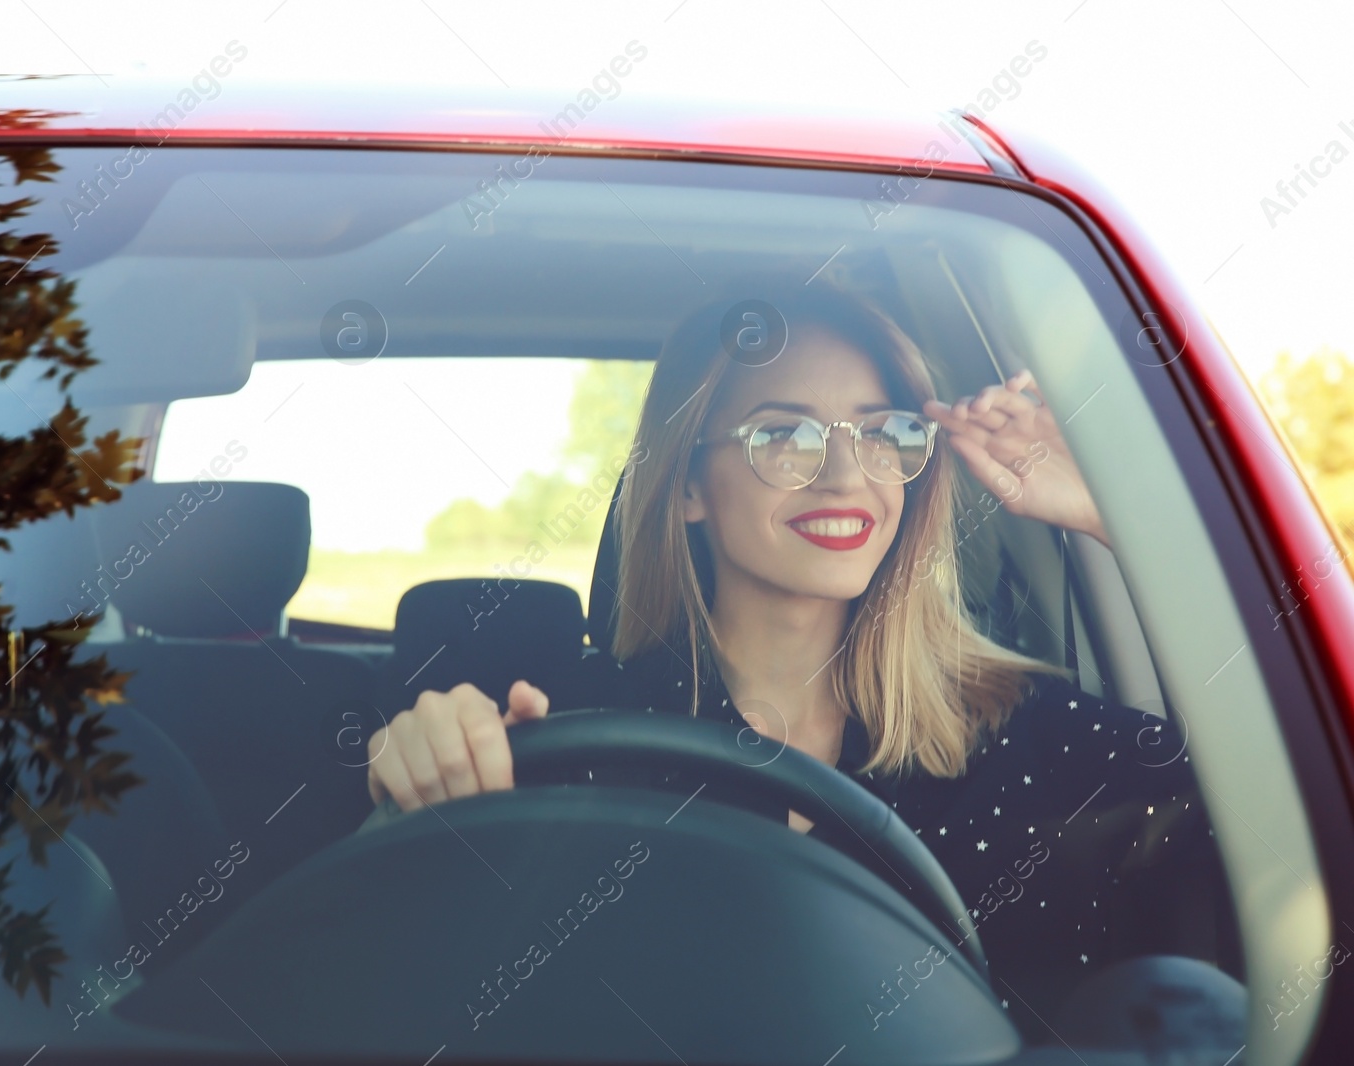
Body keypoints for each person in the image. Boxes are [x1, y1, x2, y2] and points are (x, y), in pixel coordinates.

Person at [364, 286, 1237, 1036]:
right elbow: (402, 980)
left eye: (881, 432)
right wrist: (418, 780)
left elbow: (1299, 784)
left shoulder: (1037, 737)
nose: (846, 479)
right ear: (691, 485)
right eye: (784, 436)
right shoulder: (569, 740)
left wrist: (1123, 511)